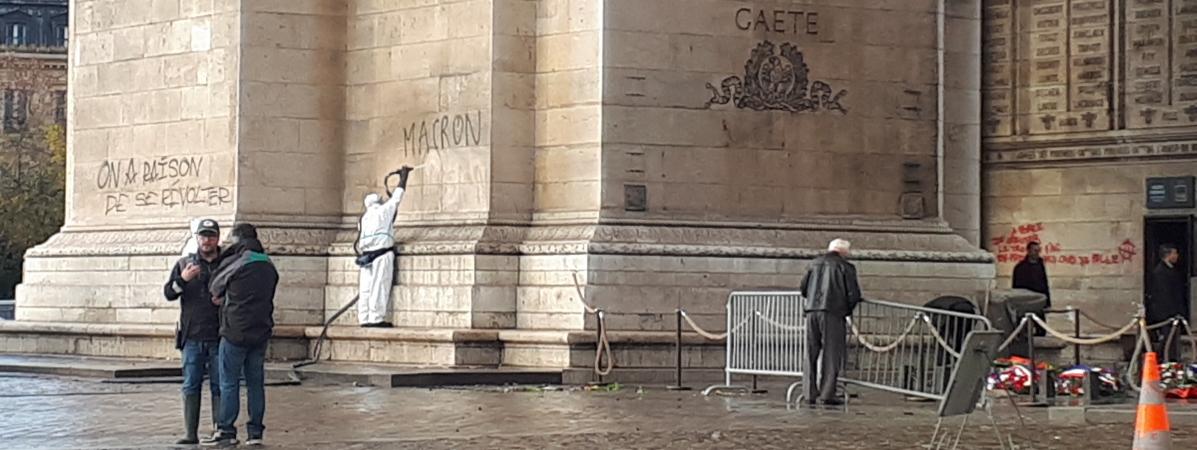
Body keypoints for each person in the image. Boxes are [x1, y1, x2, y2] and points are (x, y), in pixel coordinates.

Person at [202, 224, 279, 447]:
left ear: (237, 240)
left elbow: (215, 286)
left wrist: (224, 297)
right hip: (261, 330)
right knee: (256, 383)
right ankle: (255, 433)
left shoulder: (239, 260)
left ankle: (226, 430)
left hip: (235, 330)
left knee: (229, 382)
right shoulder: (269, 264)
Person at [163, 218, 223, 445]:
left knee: (220, 385)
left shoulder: (226, 263)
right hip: (191, 335)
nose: (207, 240)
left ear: (217, 238)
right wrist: (183, 279)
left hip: (219, 334)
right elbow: (169, 293)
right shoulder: (184, 264)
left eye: (211, 236)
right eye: (203, 236)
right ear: (197, 238)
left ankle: (221, 430)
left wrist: (224, 300)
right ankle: (190, 433)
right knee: (191, 384)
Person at [799, 238, 862, 406]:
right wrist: (846, 310)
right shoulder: (846, 267)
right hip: (833, 312)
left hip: (812, 311)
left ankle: (809, 392)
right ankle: (827, 393)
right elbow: (853, 294)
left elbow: (803, 288)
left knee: (810, 352)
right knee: (832, 354)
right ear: (844, 252)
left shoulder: (813, 264)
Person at [356, 166, 412, 327]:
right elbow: (397, 197)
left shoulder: (363, 218)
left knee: (365, 289)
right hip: (381, 255)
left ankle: (364, 318)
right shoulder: (383, 211)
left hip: (366, 257)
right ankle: (376, 318)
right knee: (379, 286)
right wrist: (404, 177)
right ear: (379, 202)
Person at [1147, 244, 1187, 361]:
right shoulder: (1160, 273)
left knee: (1173, 340)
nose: (1177, 256)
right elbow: (1164, 295)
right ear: (1168, 255)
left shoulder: (1172, 270)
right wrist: (1172, 313)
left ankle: (1171, 360)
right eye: (1174, 253)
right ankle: (1163, 360)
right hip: (1165, 314)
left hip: (1173, 314)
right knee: (1166, 339)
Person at [1012, 241, 1050, 336]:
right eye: (1034, 250)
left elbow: (1044, 283)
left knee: (1041, 329)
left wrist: (1047, 302)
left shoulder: (1040, 265)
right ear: (1028, 251)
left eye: (1038, 250)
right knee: (1023, 329)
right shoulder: (1020, 267)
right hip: (1026, 301)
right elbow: (1016, 287)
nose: (1037, 253)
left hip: (1039, 300)